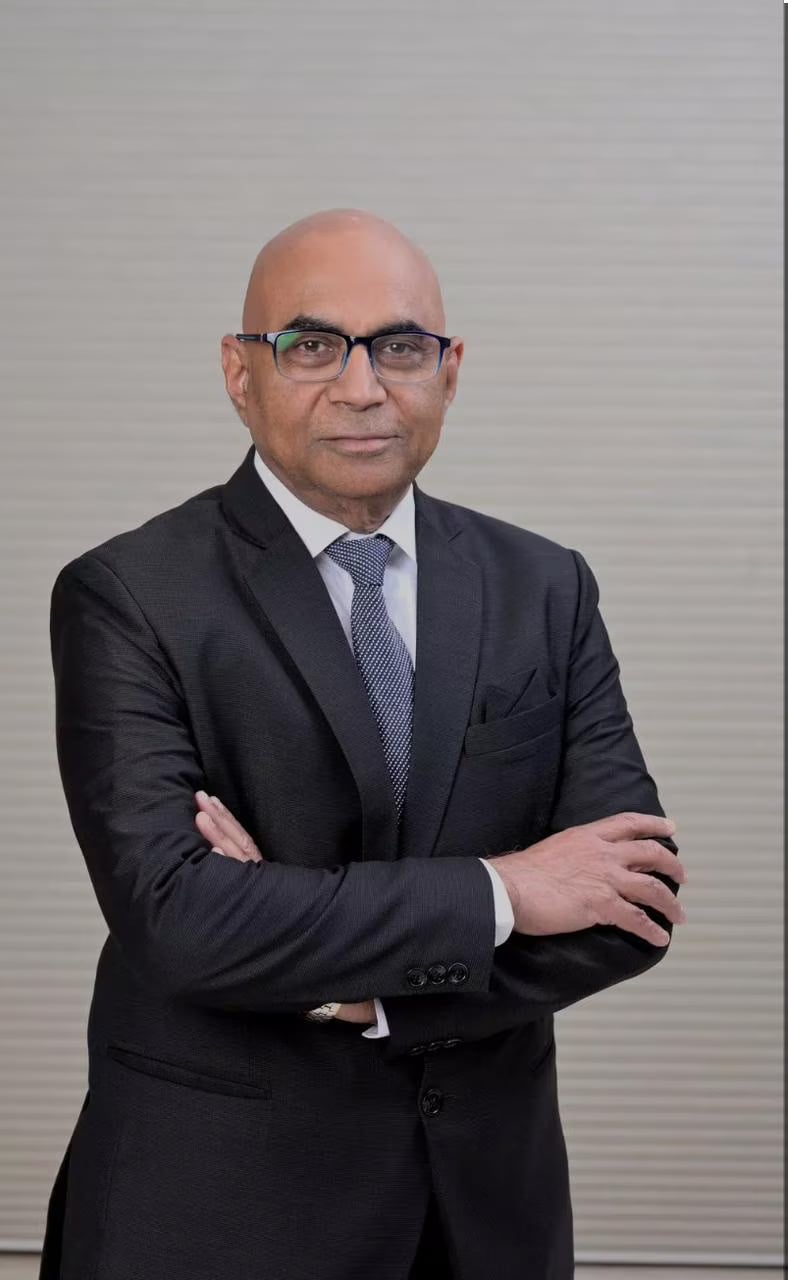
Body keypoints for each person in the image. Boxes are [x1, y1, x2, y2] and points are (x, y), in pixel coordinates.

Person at [38, 208, 686, 1280]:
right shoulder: (130, 596)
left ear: (450, 369)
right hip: (219, 1207)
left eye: (399, 346)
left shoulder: (545, 586)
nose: (360, 387)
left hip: (485, 1213)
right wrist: (506, 891)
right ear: (240, 372)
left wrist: (349, 986)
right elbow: (181, 920)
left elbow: (632, 902)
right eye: (311, 346)